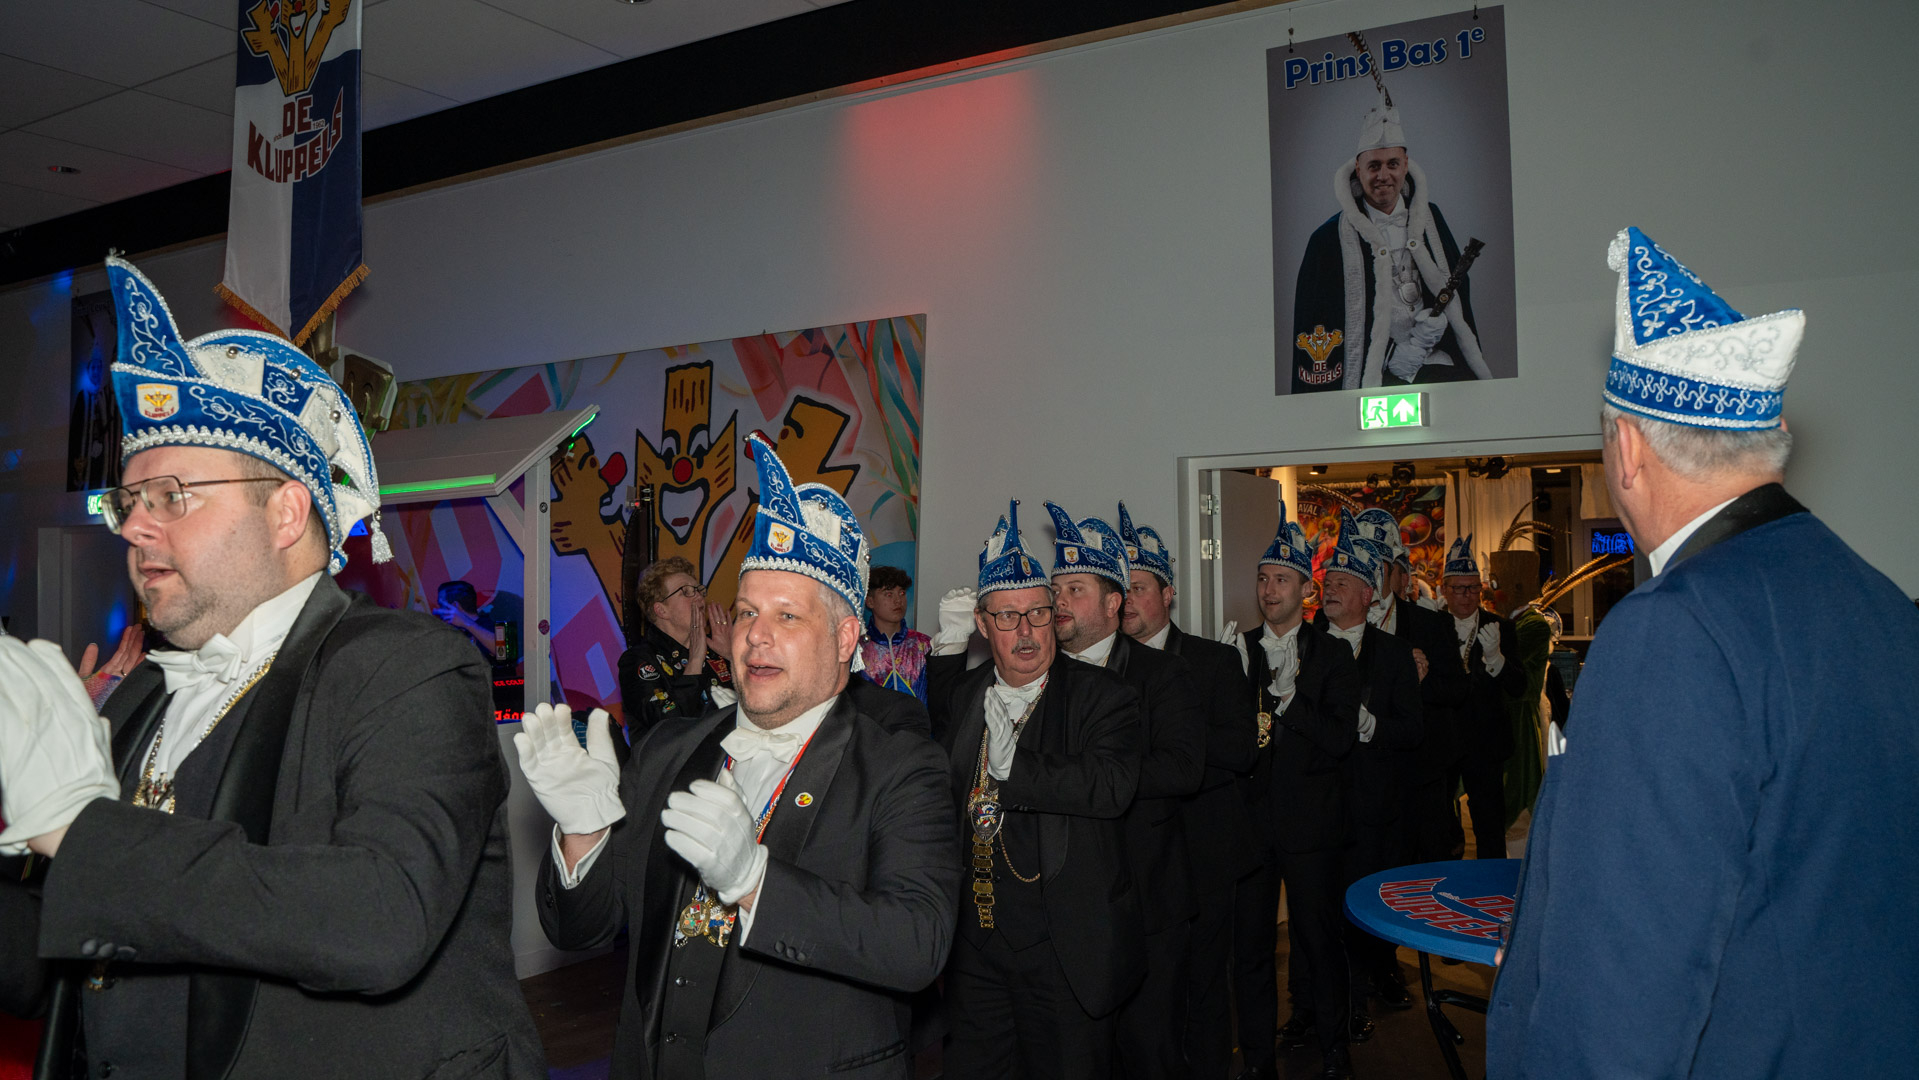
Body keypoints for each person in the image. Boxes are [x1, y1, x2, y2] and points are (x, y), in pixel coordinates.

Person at [0, 255, 543, 1076]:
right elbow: (56, 957)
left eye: (172, 495)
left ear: (286, 513)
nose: (135, 527)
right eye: (130, 501)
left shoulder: (408, 669)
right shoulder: (139, 696)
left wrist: (81, 833)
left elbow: (378, 919)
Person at [1488, 228, 1919, 1078]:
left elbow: (1620, 1001)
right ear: (1773, 435)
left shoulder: (1672, 632)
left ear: (1625, 451)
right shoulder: (1882, 605)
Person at [527, 433, 960, 1080]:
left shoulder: (899, 769)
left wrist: (754, 880)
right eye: (748, 610)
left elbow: (916, 945)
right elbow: (579, 932)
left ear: (845, 637)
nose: (755, 634)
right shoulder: (668, 750)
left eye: (788, 617)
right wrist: (582, 837)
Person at [927, 500, 1143, 1080]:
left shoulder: (1103, 695)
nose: (1025, 632)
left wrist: (1016, 768)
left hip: (1063, 949)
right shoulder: (967, 695)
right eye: (1007, 616)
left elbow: (1112, 785)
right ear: (982, 624)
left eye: (1038, 613)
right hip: (976, 950)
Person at [1044, 501, 1204, 1080]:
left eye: (1075, 589)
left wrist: (1094, 776)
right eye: (1055, 590)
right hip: (1064, 903)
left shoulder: (1163, 674)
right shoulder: (1039, 676)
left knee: (1150, 1049)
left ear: (1113, 604)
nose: (1059, 602)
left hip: (1146, 896)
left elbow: (1183, 769)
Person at [1117, 503, 1259, 1079]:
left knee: (1203, 986)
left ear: (1168, 594)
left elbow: (1242, 751)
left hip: (1203, 854)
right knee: (1142, 993)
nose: (1128, 600)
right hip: (1134, 861)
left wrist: (1177, 742)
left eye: (1140, 588)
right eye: (1121, 589)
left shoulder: (1213, 661)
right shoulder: (1103, 668)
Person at [1229, 502, 1362, 1080]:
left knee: (1318, 944)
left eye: (1281, 579)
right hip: (1253, 830)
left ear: (1306, 588)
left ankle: (1335, 1049)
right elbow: (1229, 744)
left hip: (1312, 830)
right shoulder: (1239, 650)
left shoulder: (1333, 653)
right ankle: (1259, 1063)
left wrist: (1291, 701)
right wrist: (1229, 684)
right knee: (1252, 952)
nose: (1268, 589)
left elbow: (1340, 740)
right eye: (1263, 578)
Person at [1291, 102, 1491, 392]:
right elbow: (1320, 319)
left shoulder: (1431, 219)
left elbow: (1459, 299)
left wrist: (1434, 332)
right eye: (1374, 166)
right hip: (1374, 373)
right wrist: (1389, 354)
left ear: (1405, 166)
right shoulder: (1327, 239)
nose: (1383, 176)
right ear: (1358, 169)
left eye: (1392, 164)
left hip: (1437, 361)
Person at [1313, 514, 1422, 1038]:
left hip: (1373, 808)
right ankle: (1320, 1005)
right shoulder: (1304, 646)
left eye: (1341, 583)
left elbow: (1413, 731)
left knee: (1366, 904)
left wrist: (1373, 727)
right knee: (1320, 912)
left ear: (1366, 595)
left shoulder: (1394, 654)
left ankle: (1361, 993)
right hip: (1315, 806)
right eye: (1326, 583)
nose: (1330, 590)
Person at [1354, 508, 1468, 882]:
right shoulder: (1329, 623)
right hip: (1359, 778)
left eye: (1378, 565)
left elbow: (1457, 690)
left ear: (1397, 573)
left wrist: (1421, 681)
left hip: (1419, 775)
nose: (1370, 573)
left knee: (1425, 876)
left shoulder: (1430, 624)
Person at [1439, 535, 1522, 858]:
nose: (1467, 596)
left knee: (1489, 826)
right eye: (1459, 588)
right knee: (1440, 826)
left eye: (1473, 588)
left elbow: (1519, 686)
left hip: (1485, 742)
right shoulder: (1432, 625)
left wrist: (1496, 660)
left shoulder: (1500, 628)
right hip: (1442, 742)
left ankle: (1493, 883)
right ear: (1445, 590)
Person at [617, 555, 736, 745]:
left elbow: (757, 710)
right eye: (686, 592)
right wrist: (695, 661)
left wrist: (733, 658)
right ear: (661, 610)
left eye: (698, 590)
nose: (699, 596)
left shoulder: (715, 652)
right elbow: (668, 727)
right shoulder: (638, 660)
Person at [861, 565, 931, 704]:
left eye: (902, 593)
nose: (898, 600)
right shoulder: (858, 649)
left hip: (918, 718)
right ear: (870, 601)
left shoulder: (924, 645)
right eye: (889, 594)